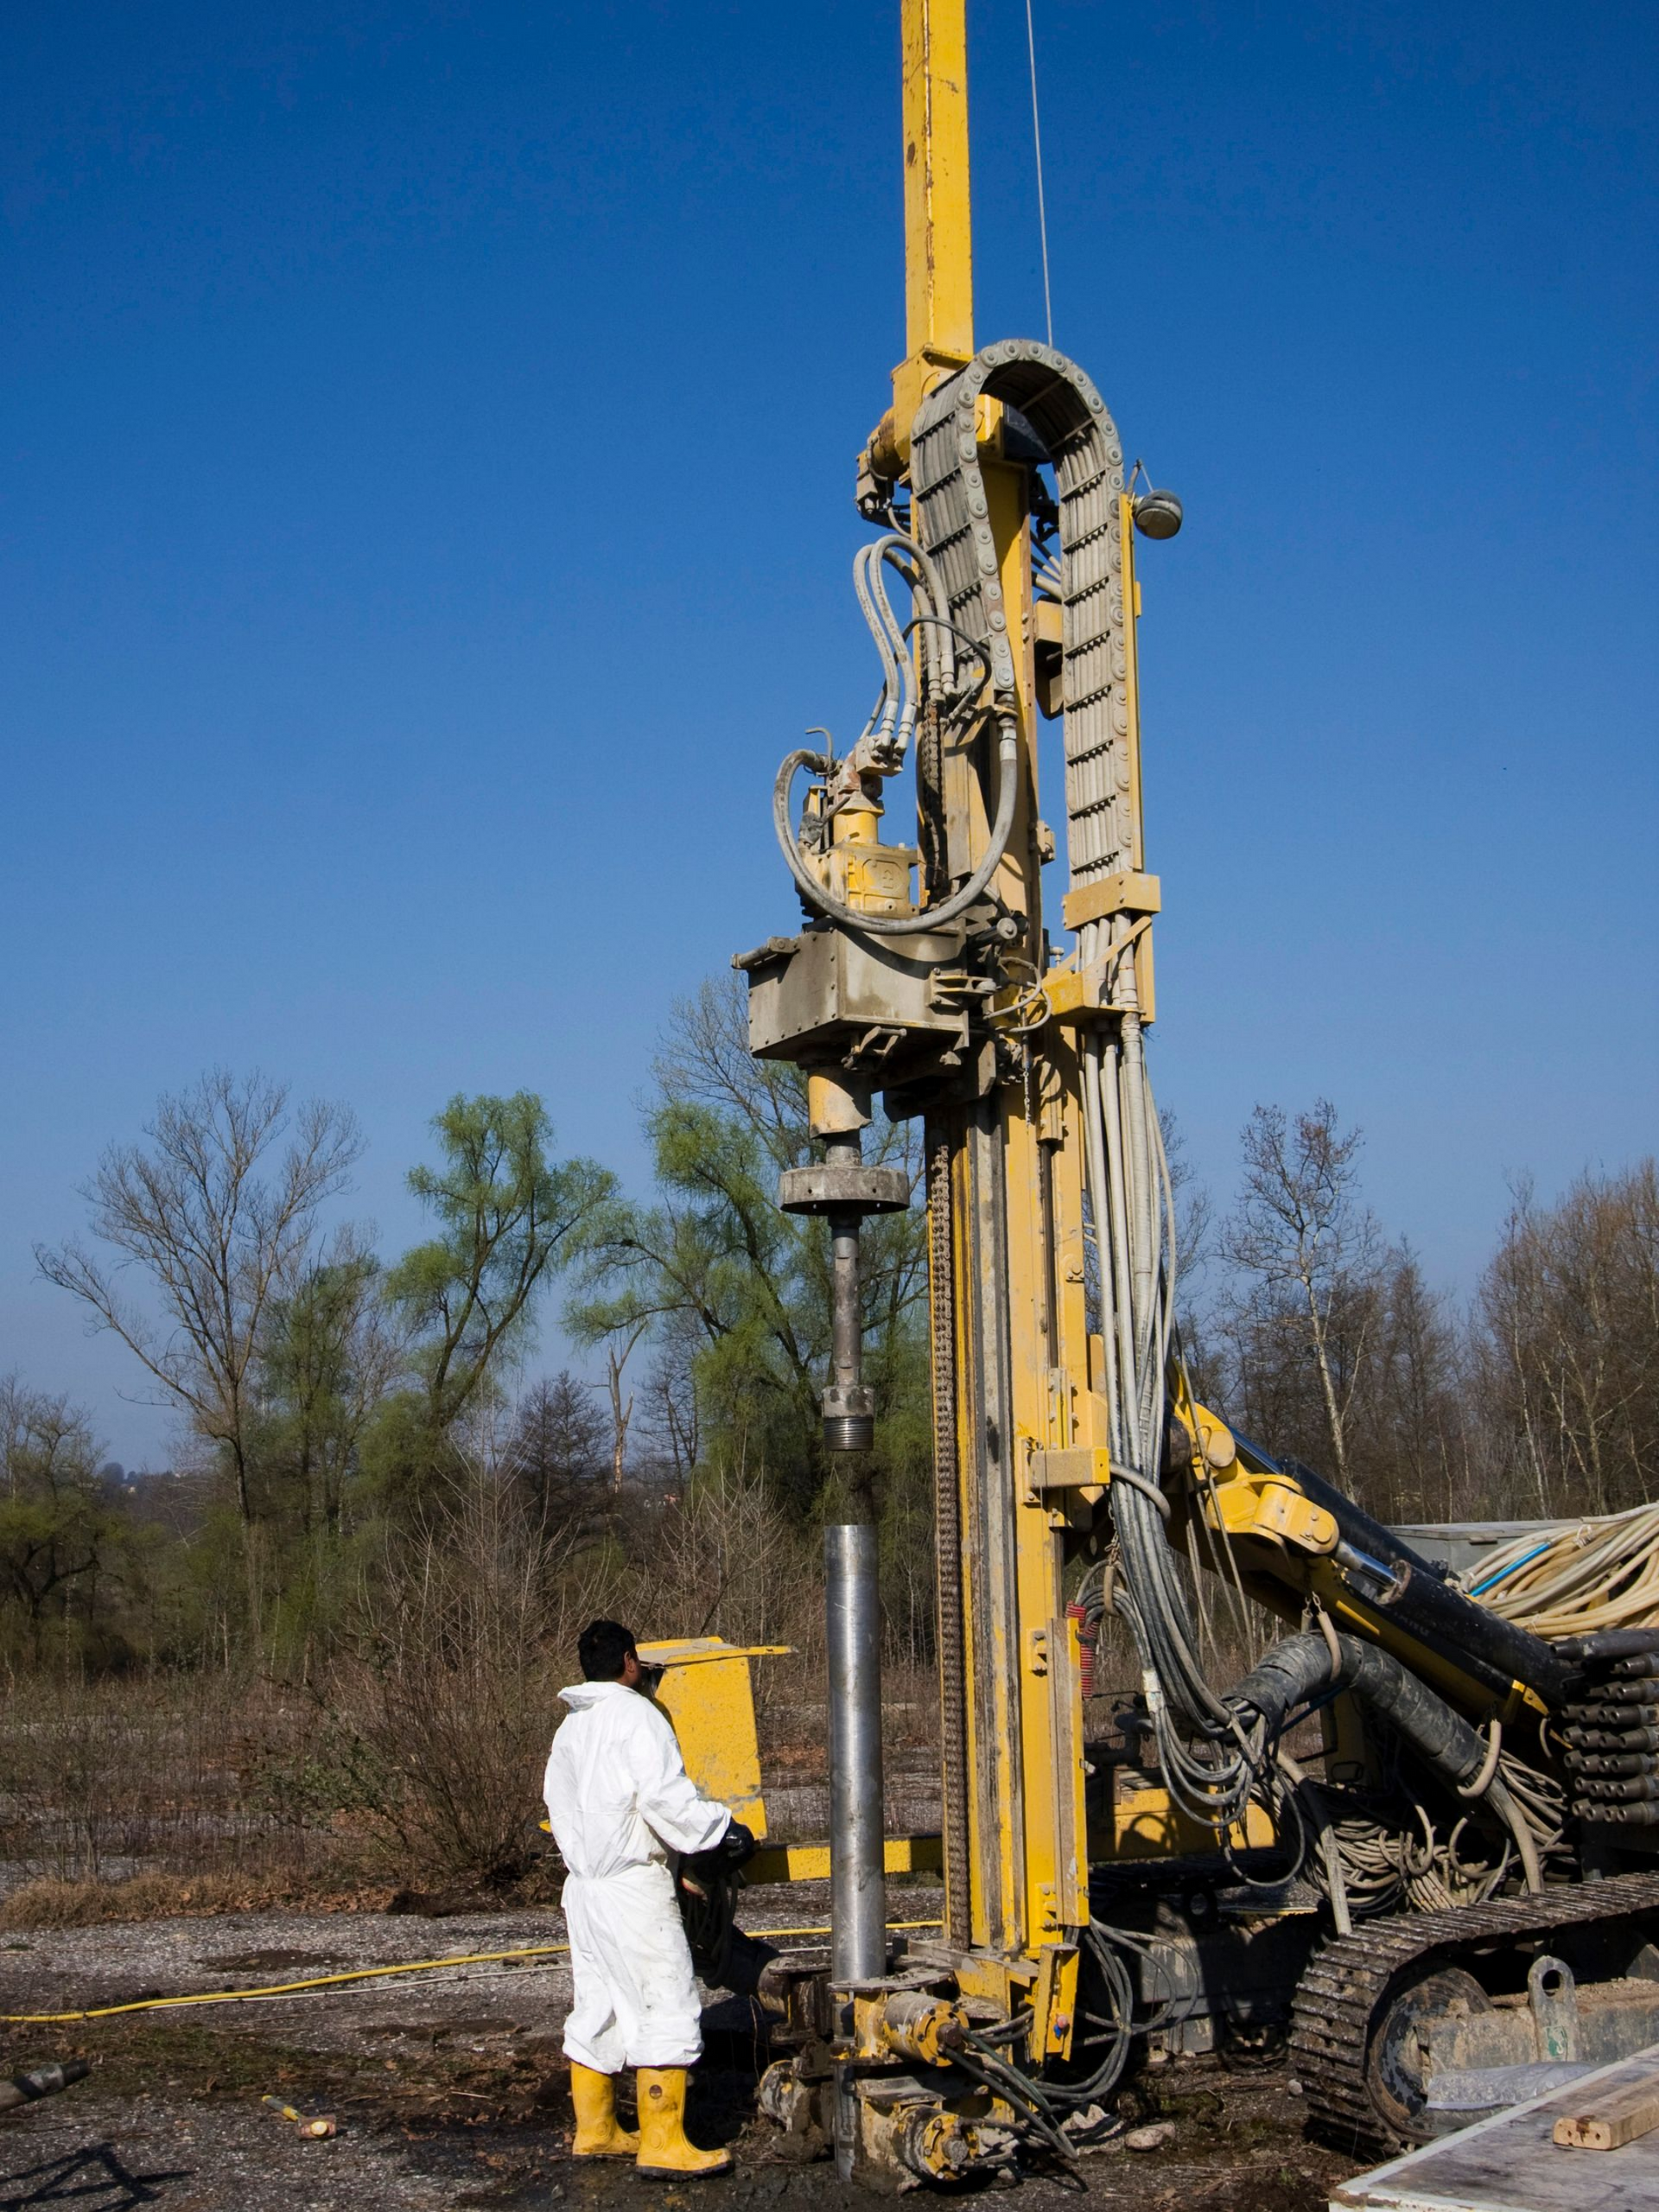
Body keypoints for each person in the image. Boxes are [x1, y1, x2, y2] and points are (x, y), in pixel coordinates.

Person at [543, 1618, 753, 2177]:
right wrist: (721, 1830)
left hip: (584, 1888)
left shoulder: (571, 1728)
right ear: (630, 1663)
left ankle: (596, 2130)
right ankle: (663, 2143)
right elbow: (665, 1799)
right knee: (665, 2003)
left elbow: (559, 1804)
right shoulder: (638, 1717)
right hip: (632, 1888)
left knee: (600, 2004)